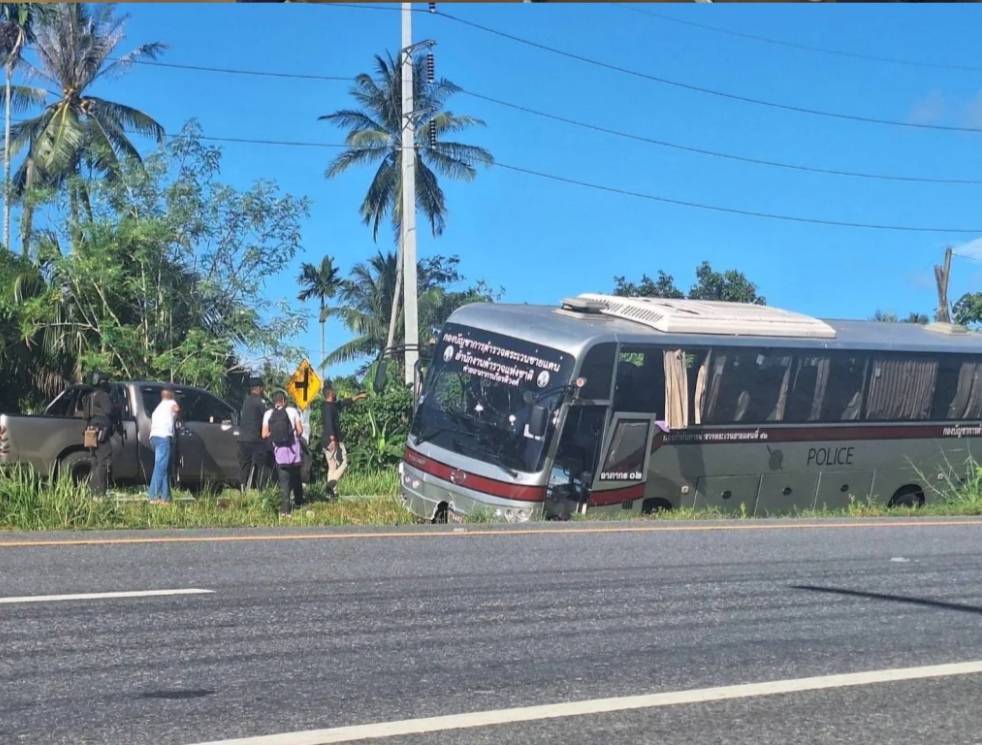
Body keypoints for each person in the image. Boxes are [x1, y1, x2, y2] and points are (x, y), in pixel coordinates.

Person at [262, 391, 304, 516]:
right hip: (294, 450)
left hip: (280, 452)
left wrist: (275, 435)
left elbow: (264, 434)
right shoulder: (292, 411)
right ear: (284, 401)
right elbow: (300, 431)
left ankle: (285, 509)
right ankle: (299, 502)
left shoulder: (268, 414)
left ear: (274, 401)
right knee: (296, 476)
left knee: (284, 479)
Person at [84, 372, 115, 497]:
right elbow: (109, 411)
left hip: (90, 431)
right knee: (104, 460)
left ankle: (92, 490)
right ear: (103, 383)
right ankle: (100, 491)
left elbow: (85, 416)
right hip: (101, 431)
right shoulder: (103, 396)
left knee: (94, 460)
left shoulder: (89, 396)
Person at [148, 385, 180, 504]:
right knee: (160, 467)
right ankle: (153, 495)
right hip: (163, 437)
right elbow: (177, 409)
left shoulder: (158, 408)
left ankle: (166, 498)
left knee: (164, 468)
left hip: (154, 438)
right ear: (170, 395)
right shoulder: (170, 402)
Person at [238, 376, 269, 490]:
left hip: (242, 439)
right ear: (259, 388)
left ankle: (243, 489)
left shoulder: (246, 401)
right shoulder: (260, 401)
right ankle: (260, 489)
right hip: (255, 439)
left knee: (244, 465)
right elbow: (267, 416)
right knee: (260, 465)